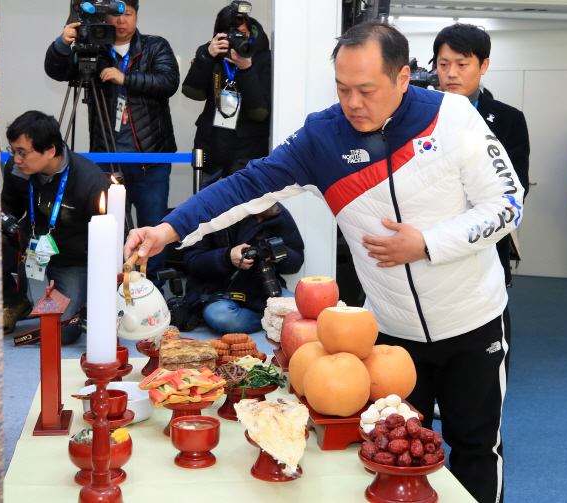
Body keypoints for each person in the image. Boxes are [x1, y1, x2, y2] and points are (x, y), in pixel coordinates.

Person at [124, 21, 524, 503]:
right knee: (393, 456)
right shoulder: (323, 137)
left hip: (472, 320)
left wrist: (428, 243)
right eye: (342, 88)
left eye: (366, 89)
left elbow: (507, 203)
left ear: (402, 78)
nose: (352, 102)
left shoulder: (454, 116)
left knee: (475, 449)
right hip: (391, 333)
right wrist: (168, 228)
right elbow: (244, 187)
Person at [44, 0, 179, 290]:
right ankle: (111, 287)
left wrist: (125, 78)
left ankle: (150, 289)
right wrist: (62, 44)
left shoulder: (155, 46)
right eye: (114, 16)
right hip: (104, 157)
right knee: (108, 227)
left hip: (150, 158)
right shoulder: (93, 47)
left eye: (127, 15)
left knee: (154, 226)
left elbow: (168, 82)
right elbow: (57, 72)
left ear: (136, 15)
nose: (121, 22)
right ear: (103, 18)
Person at [434, 23, 530, 288]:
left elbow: (516, 189)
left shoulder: (509, 119)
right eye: (443, 65)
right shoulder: (417, 115)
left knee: (491, 323)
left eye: (462, 64)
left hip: (484, 243)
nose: (451, 73)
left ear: (483, 65)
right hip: (427, 243)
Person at [1, 111, 109, 344]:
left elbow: (105, 238)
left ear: (50, 151)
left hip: (70, 259)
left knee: (63, 332)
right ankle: (13, 299)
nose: (16, 159)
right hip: (29, 247)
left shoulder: (89, 179)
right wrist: (5, 221)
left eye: (22, 152)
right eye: (13, 151)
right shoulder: (16, 168)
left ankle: (68, 299)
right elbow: (7, 205)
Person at [183, 159, 304, 334]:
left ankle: (270, 319)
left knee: (301, 309)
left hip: (262, 289)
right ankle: (271, 321)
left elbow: (297, 259)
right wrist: (226, 257)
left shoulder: (273, 211)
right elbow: (191, 261)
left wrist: (280, 255)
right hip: (216, 292)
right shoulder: (203, 208)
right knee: (222, 317)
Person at [181, 1, 271, 177]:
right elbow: (192, 92)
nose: (238, 39)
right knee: (207, 203)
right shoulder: (209, 53)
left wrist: (246, 69)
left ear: (251, 33)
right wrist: (206, 57)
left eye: (243, 34)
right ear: (218, 34)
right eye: (232, 34)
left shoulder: (264, 58)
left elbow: (259, 112)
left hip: (247, 156)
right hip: (210, 150)